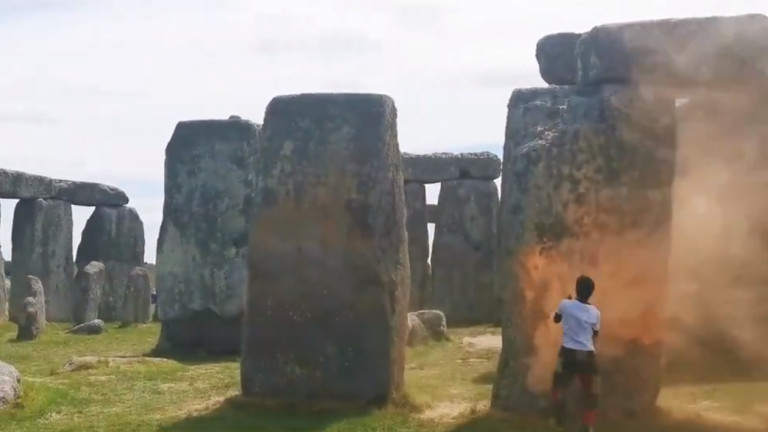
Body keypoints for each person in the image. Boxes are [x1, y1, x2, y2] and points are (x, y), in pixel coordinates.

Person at [551, 275, 601, 432]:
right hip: (587, 355)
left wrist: (568, 302)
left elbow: (556, 319)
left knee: (557, 385)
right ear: (591, 293)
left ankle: (559, 417)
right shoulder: (595, 312)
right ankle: (587, 425)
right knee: (590, 392)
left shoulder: (565, 304)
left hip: (567, 353)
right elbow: (595, 334)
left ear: (576, 289)